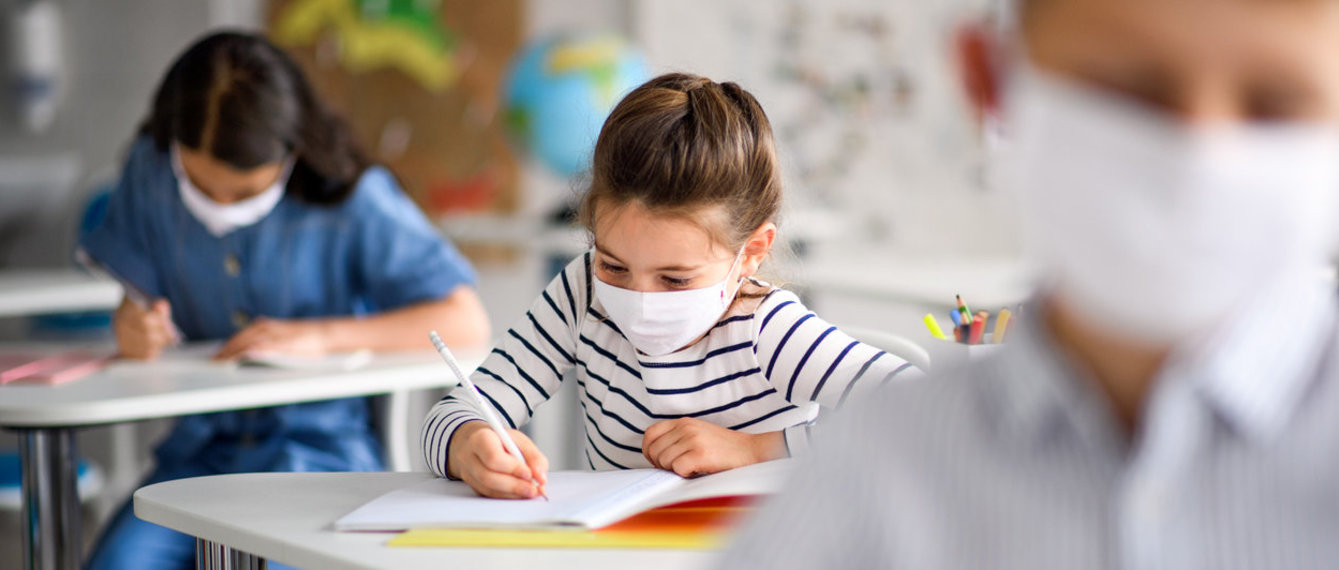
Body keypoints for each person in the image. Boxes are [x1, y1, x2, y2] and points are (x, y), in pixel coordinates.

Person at [720, 0, 1339, 567]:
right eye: (1130, 91)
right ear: (992, 81)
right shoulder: (873, 471)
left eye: (1276, 103)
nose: (1202, 157)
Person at [81, 31, 490, 569]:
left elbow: (465, 321)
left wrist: (320, 337)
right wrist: (133, 325)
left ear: (291, 151)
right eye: (200, 188)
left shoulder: (351, 195)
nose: (219, 208)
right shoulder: (151, 169)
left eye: (244, 194)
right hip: (196, 459)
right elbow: (136, 297)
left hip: (321, 457)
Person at [420, 73, 917, 499]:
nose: (638, 301)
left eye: (675, 279)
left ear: (751, 252)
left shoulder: (766, 329)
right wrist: (469, 442)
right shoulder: (580, 292)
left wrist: (756, 449)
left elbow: (923, 413)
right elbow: (459, 408)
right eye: (614, 266)